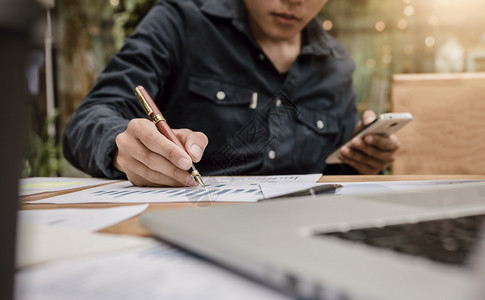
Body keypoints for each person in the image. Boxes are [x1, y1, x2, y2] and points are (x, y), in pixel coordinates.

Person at [63, 0, 400, 187]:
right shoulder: (180, 23)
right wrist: (121, 148)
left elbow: (332, 175)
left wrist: (362, 160)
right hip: (189, 231)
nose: (294, 1)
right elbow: (88, 120)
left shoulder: (337, 65)